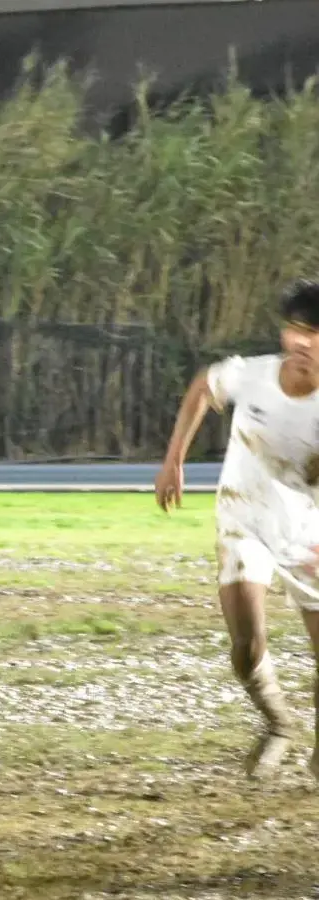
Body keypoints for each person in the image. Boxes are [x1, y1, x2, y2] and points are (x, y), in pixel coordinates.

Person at [156, 278, 319, 783]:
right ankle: (278, 725)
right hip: (243, 519)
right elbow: (204, 385)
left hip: (307, 534)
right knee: (246, 642)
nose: (303, 343)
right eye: (296, 330)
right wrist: (174, 460)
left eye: (315, 334)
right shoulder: (252, 376)